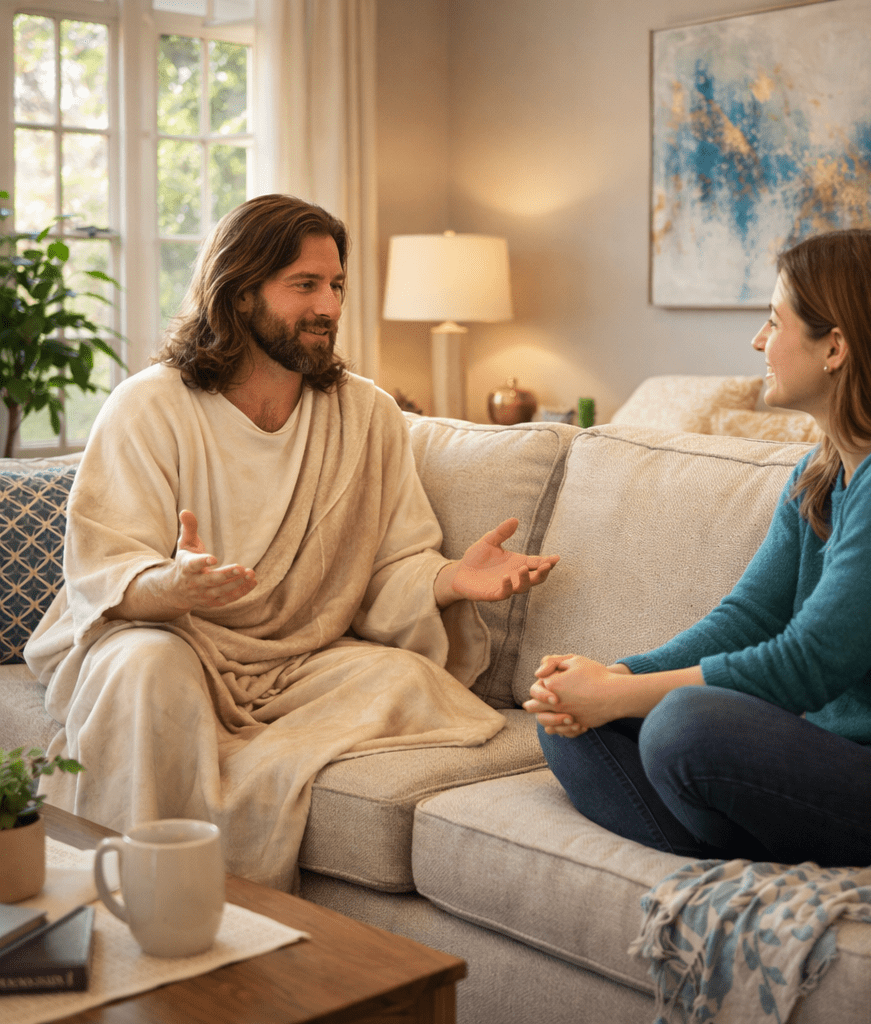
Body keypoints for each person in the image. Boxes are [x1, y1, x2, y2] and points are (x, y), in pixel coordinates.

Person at [25, 193, 558, 890]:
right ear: (240, 294)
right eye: (304, 285)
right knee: (147, 672)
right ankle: (137, 901)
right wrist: (173, 587)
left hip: (300, 663)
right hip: (170, 638)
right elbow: (106, 570)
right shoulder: (150, 406)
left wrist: (451, 580)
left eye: (335, 285)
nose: (328, 306)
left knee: (405, 680)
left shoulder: (365, 414)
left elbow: (390, 565)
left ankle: (237, 885)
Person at [524, 228, 871, 868]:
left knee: (685, 726)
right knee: (566, 720)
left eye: (773, 321)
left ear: (835, 347)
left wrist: (620, 695)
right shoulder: (823, 470)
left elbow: (811, 663)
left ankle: (727, 824)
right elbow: (748, 618)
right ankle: (738, 835)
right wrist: (611, 678)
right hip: (829, 754)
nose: (759, 341)